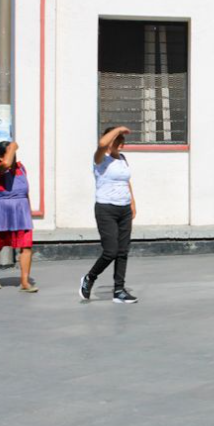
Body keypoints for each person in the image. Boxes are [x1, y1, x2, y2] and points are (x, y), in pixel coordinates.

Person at [80, 126, 138, 304]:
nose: (121, 143)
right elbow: (101, 144)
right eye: (117, 140)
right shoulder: (100, 159)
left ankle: (119, 290)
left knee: (123, 251)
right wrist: (119, 129)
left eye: (122, 140)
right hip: (106, 209)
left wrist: (132, 202)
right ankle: (90, 277)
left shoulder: (122, 159)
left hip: (124, 209)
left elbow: (126, 181)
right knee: (110, 251)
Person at [0, 141, 37, 293]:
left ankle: (25, 282)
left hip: (21, 211)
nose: (14, 155)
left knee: (26, 246)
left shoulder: (20, 167)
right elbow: (5, 165)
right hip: (1, 212)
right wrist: (12, 145)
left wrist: (28, 210)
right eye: (10, 152)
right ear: (0, 156)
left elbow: (25, 192)